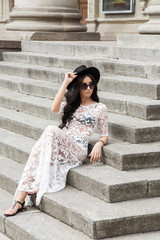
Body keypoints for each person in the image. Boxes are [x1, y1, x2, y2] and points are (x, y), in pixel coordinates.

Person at [4, 65, 108, 217]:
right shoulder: (72, 105)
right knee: (38, 151)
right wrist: (65, 83)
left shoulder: (100, 108)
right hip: (63, 144)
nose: (88, 88)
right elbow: (54, 108)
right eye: (84, 85)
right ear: (77, 87)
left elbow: (104, 135)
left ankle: (23, 197)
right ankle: (19, 199)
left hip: (78, 150)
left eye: (91, 84)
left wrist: (99, 143)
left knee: (50, 130)